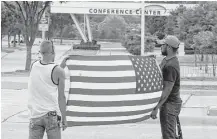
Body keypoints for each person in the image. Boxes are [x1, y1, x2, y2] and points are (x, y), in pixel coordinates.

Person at [28, 40, 69, 139]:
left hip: (35, 115)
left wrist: (60, 66)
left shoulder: (33, 66)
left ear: (40, 52)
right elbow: (61, 97)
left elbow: (45, 71)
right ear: (53, 52)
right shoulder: (58, 71)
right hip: (51, 115)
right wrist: (64, 117)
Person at [151, 35, 182, 139]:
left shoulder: (171, 66)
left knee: (168, 136)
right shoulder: (167, 60)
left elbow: (167, 90)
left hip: (170, 104)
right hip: (168, 103)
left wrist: (156, 108)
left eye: (163, 45)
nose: (161, 47)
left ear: (168, 47)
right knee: (169, 135)